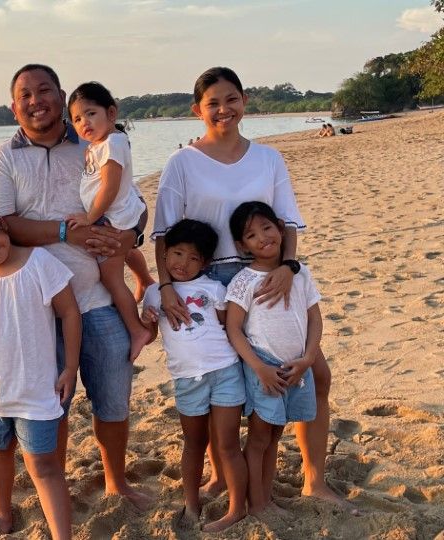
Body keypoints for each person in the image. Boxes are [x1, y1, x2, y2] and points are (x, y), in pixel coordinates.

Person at [151, 66, 347, 510]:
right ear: (198, 110)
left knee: (315, 374)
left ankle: (314, 479)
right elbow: (164, 234)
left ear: (245, 101)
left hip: (268, 276)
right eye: (213, 103)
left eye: (232, 99)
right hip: (207, 281)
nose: (224, 109)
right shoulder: (182, 162)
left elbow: (287, 221)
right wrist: (165, 285)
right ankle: (224, 476)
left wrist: (289, 267)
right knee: (222, 382)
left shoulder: (268, 158)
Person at [0, 63, 153, 510]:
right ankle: (54, 489)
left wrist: (130, 238)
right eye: (25, 95)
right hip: (34, 309)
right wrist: (64, 232)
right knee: (49, 405)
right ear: (14, 107)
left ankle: (116, 481)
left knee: (113, 399)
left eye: (44, 90)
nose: (35, 101)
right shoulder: (4, 157)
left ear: (61, 95)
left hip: (97, 298)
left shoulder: (92, 141)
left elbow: (131, 202)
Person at [0, 204, 81, 538]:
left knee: (44, 465)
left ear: (1, 225)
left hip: (35, 388)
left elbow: (69, 312)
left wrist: (70, 366)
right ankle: (3, 513)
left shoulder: (40, 263)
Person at [140, 219, 247, 532]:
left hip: (225, 372)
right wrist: (146, 319)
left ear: (206, 262)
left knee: (228, 443)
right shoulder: (154, 293)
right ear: (164, 254)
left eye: (193, 258)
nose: (182, 263)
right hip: (187, 379)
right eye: (177, 254)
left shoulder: (214, 288)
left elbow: (228, 326)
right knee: (193, 442)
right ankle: (191, 503)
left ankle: (237, 508)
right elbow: (149, 335)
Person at [224, 201, 321, 517]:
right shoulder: (244, 281)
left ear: (280, 228)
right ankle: (257, 504)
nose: (263, 237)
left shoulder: (300, 273)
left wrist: (308, 358)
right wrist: (259, 368)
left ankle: (266, 498)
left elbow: (315, 318)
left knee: (275, 434)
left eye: (267, 227)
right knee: (258, 438)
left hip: (296, 366)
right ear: (242, 245)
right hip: (264, 368)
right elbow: (234, 328)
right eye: (251, 235)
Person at [65, 81, 154, 361]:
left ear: (111, 113)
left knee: (111, 277)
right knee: (125, 252)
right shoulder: (99, 145)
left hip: (113, 218)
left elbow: (110, 186)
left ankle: (137, 330)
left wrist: (90, 217)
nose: (84, 122)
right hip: (116, 215)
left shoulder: (113, 143)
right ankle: (145, 280)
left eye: (91, 113)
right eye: (77, 119)